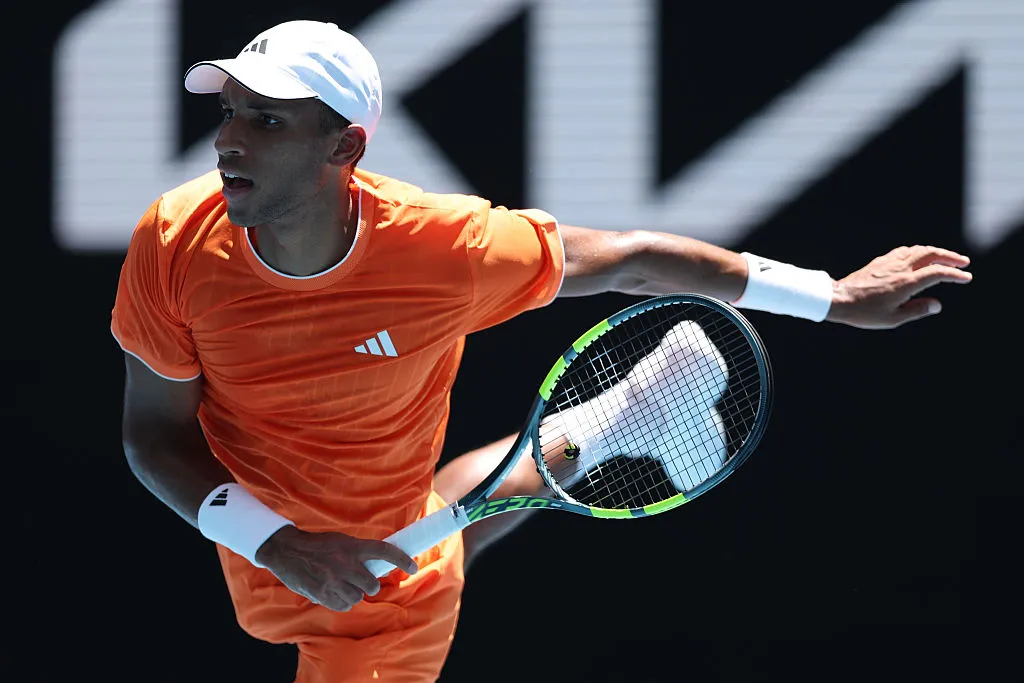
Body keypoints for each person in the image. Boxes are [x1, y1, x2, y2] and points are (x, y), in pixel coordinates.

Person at [111, 19, 973, 683]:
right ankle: (613, 415)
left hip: (378, 608)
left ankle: (610, 419)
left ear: (345, 148)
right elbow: (154, 435)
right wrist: (280, 542)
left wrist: (834, 295)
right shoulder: (176, 241)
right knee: (438, 516)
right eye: (229, 113)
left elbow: (632, 260)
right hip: (275, 537)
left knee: (424, 553)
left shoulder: (443, 249)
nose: (229, 140)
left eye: (266, 120)